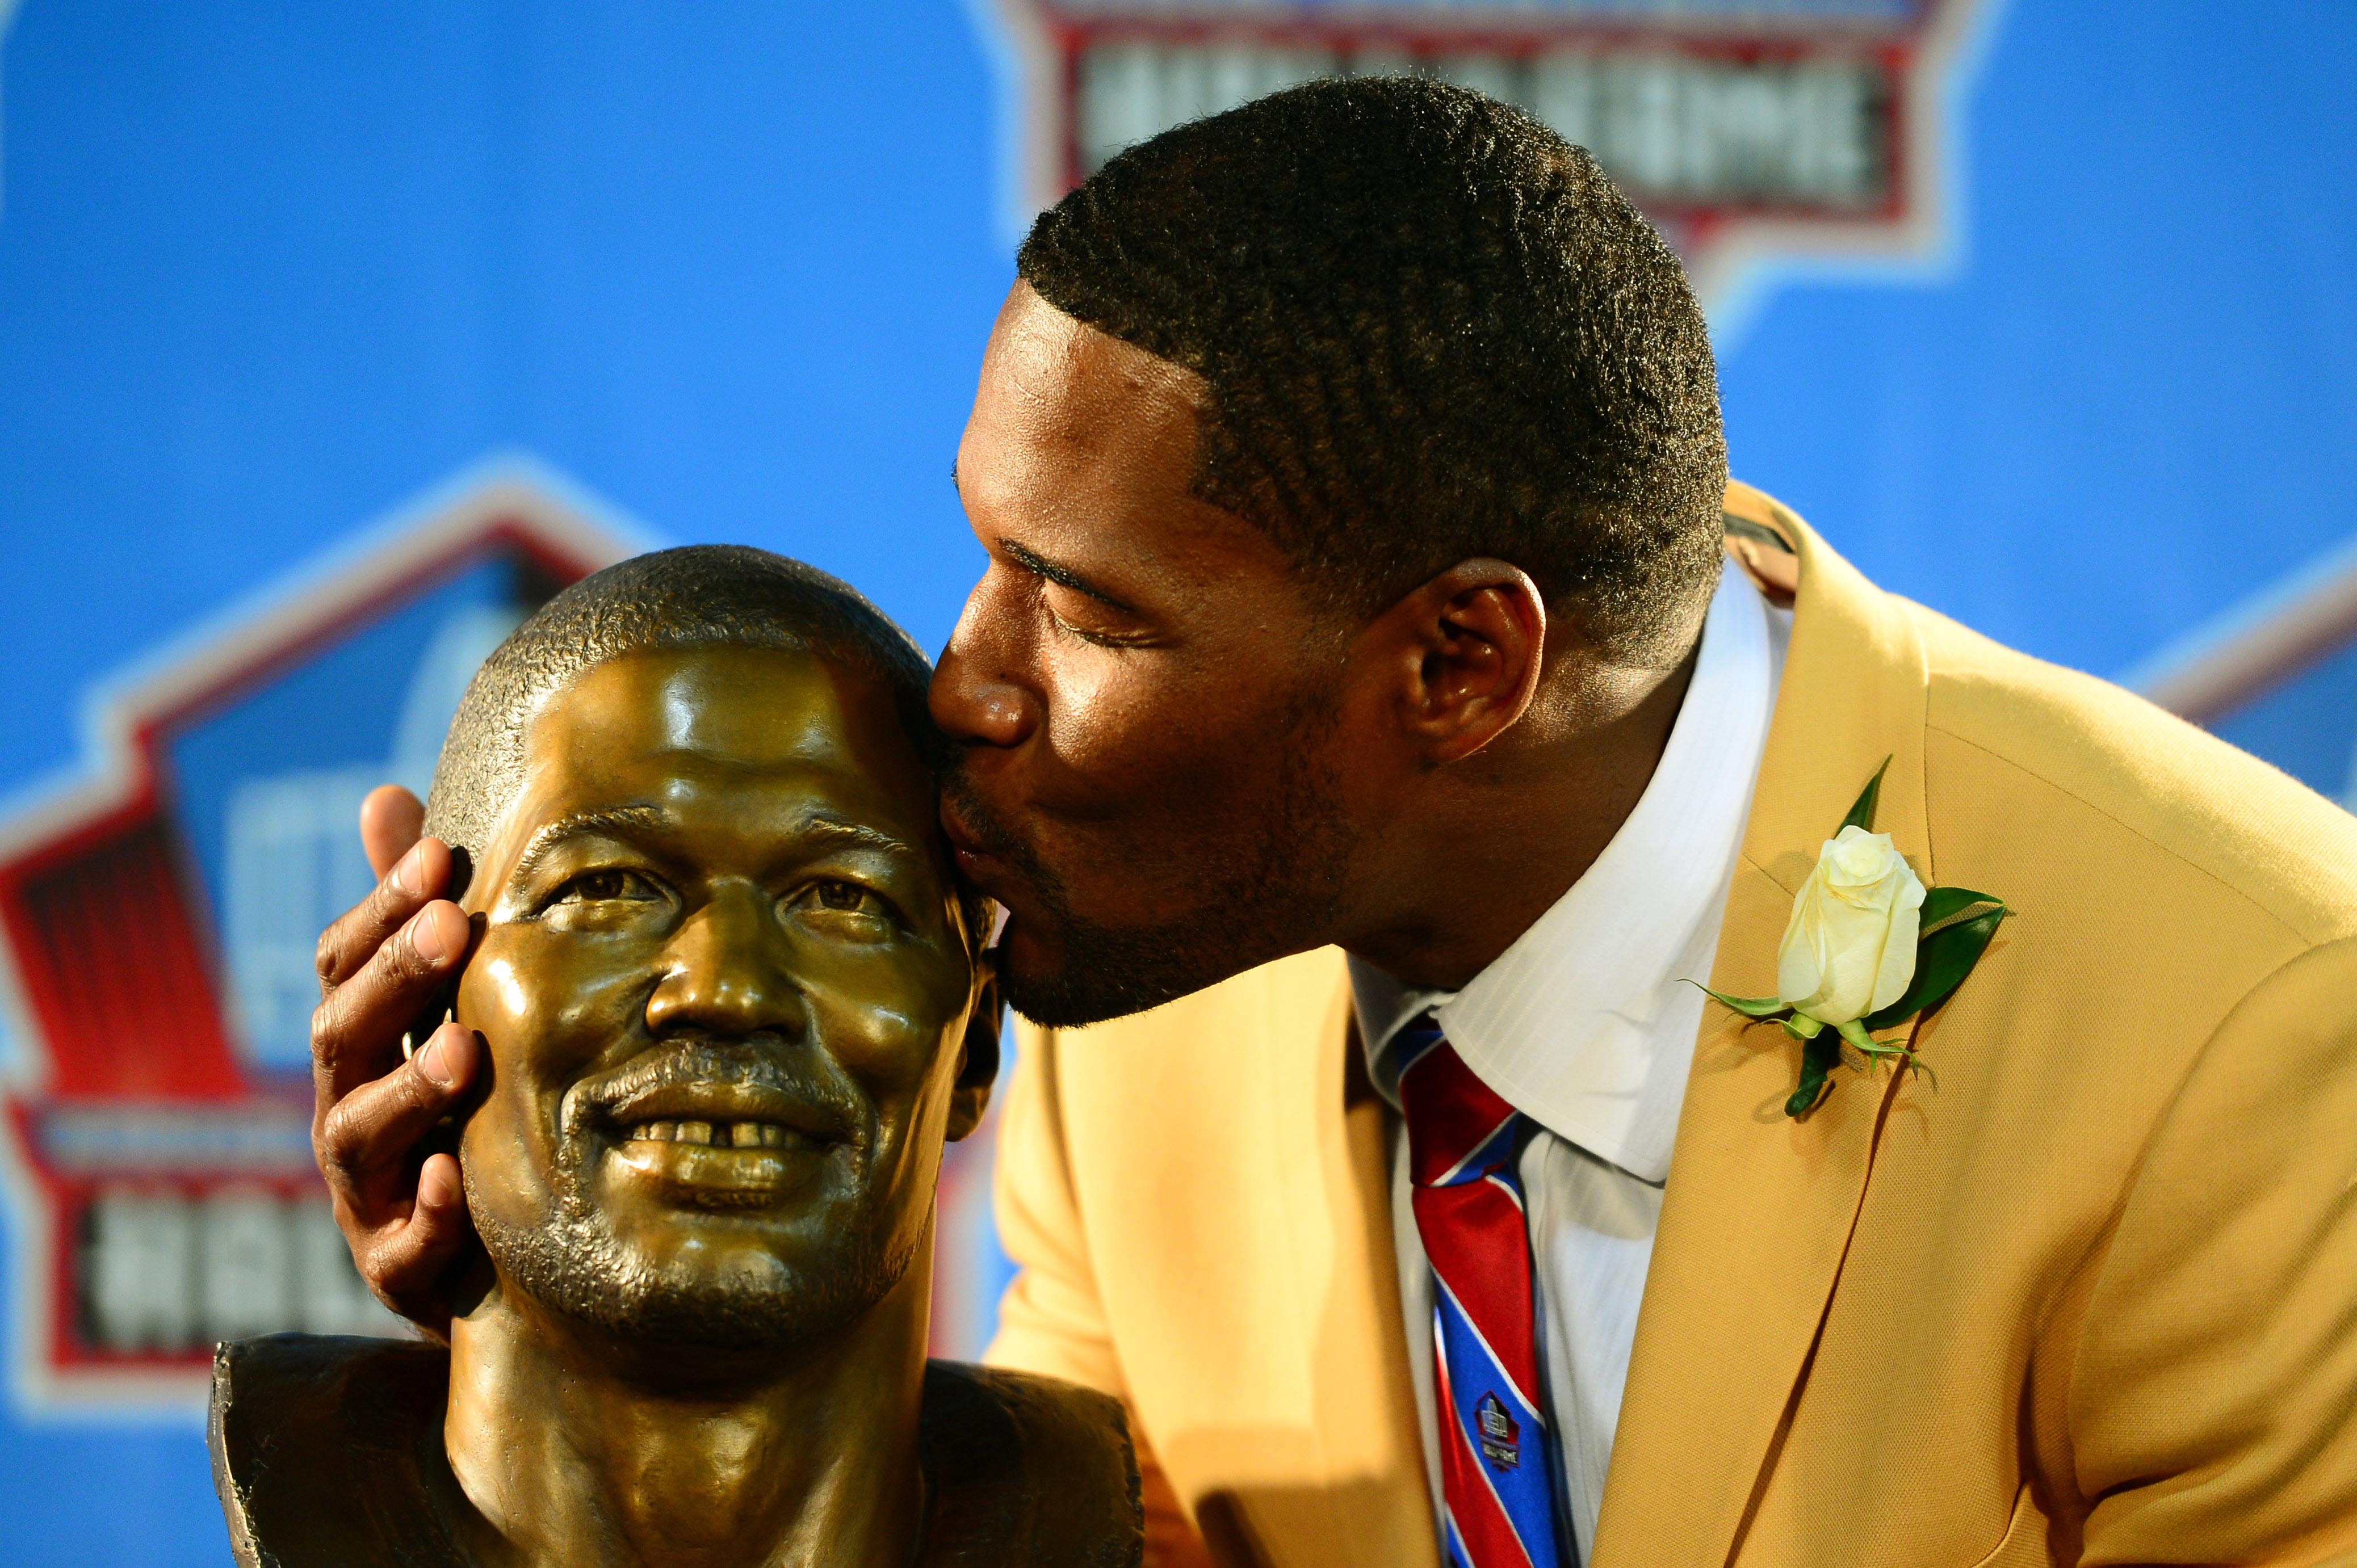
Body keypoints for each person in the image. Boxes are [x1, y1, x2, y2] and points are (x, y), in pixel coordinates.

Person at [306, 79, 2357, 1567]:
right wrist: (585, 1326)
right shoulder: (1136, 985)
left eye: (1087, 610)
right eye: (990, 562)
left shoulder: (2246, 1044)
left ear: (1461, 665)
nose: (964, 685)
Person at [223, 547, 1140, 1568]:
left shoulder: (1152, 1466)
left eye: (842, 898)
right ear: (415, 1002)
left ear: (974, 1044)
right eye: (607, 888)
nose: (726, 988)